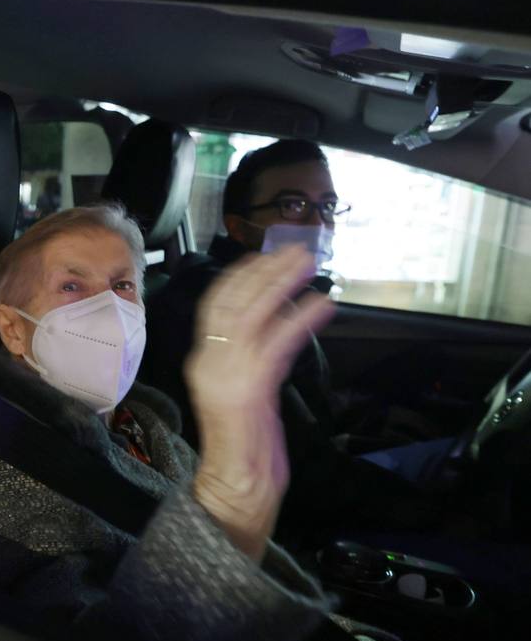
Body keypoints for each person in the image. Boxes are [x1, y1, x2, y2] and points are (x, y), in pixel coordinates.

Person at [0, 204, 528, 641]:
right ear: (13, 328)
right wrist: (232, 493)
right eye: (72, 287)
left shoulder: (142, 423)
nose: (108, 310)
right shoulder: (0, 464)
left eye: (122, 287)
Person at [143, 139, 458, 542]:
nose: (318, 223)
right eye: (292, 205)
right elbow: (303, 477)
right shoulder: (222, 308)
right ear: (239, 226)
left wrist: (366, 421)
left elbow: (305, 422)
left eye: (327, 206)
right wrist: (438, 514)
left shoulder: (273, 295)